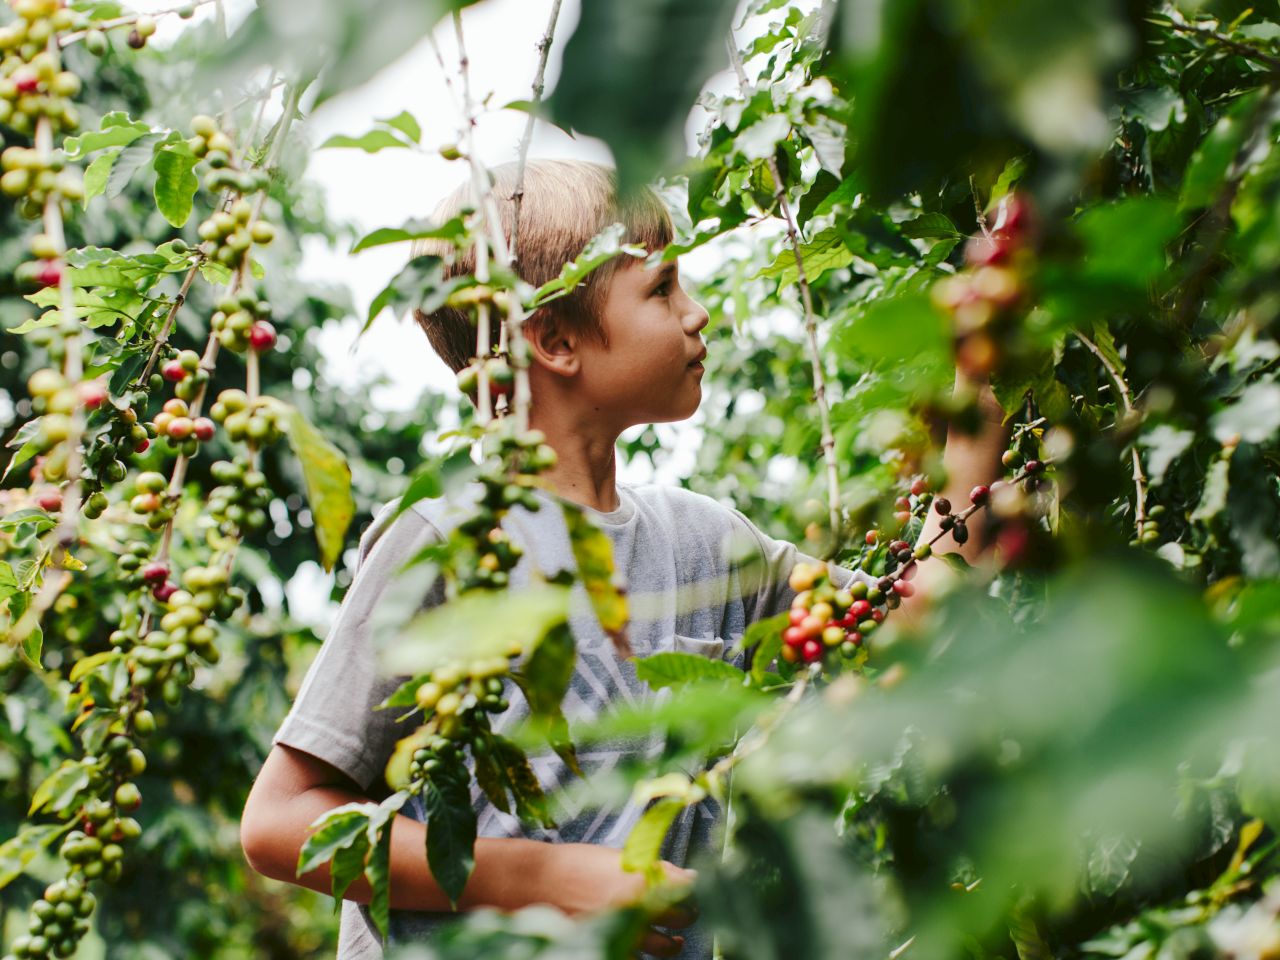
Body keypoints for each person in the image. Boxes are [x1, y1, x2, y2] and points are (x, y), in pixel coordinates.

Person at [239, 159, 1007, 959]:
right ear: (556, 340)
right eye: (663, 289)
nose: (698, 313)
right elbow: (279, 823)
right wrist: (536, 876)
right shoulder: (445, 545)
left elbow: (920, 610)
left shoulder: (706, 543)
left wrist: (981, 382)